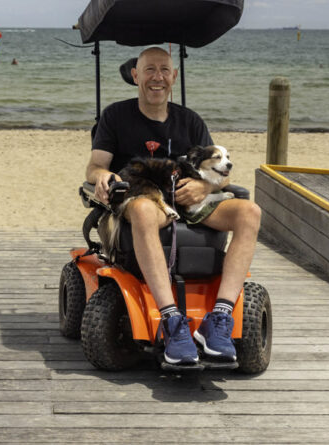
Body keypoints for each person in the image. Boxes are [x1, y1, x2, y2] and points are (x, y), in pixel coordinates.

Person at [85, 46, 261, 366]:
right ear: (135, 75)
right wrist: (103, 176)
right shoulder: (115, 116)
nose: (158, 77)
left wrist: (204, 185)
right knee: (140, 209)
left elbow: (220, 175)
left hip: (191, 201)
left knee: (250, 211)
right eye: (149, 70)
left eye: (164, 70)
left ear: (174, 77)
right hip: (144, 197)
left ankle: (219, 319)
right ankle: (171, 321)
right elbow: (95, 166)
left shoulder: (190, 121)